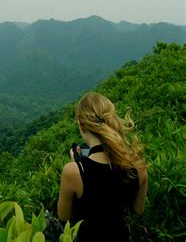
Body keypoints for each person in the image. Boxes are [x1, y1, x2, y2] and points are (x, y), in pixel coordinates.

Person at [57, 92, 148, 242]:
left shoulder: (73, 172)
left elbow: (63, 216)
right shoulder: (138, 166)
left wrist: (78, 165)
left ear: (81, 124)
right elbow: (138, 209)